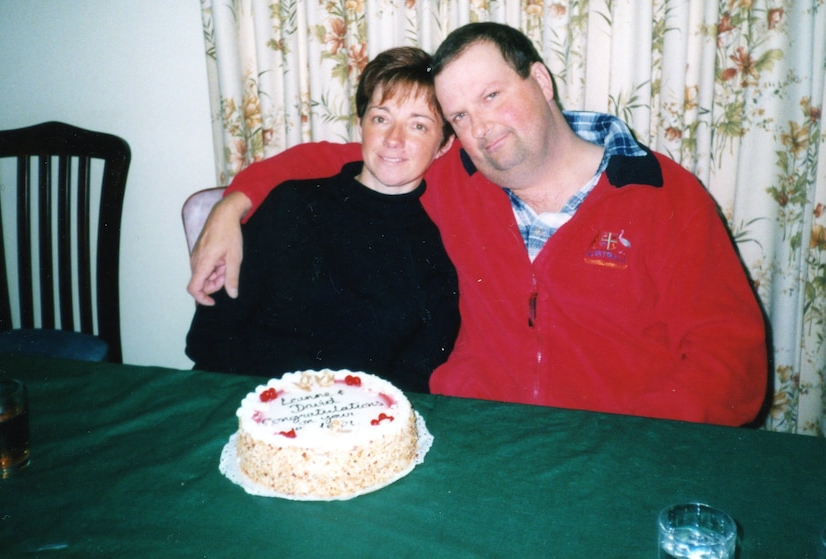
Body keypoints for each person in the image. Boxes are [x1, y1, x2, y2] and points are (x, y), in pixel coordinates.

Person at [188, 23, 768, 425]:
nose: (481, 127)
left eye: (492, 95)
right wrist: (233, 203)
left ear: (540, 82)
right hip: (473, 438)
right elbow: (355, 159)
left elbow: (731, 365)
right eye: (461, 115)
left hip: (614, 446)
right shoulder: (455, 180)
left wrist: (630, 435)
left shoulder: (662, 197)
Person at [185, 47, 459, 394]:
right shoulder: (293, 204)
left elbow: (417, 375)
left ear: (444, 144)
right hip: (251, 407)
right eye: (381, 118)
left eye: (418, 125)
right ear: (361, 125)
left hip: (362, 430)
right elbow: (209, 337)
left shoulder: (437, 246)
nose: (394, 139)